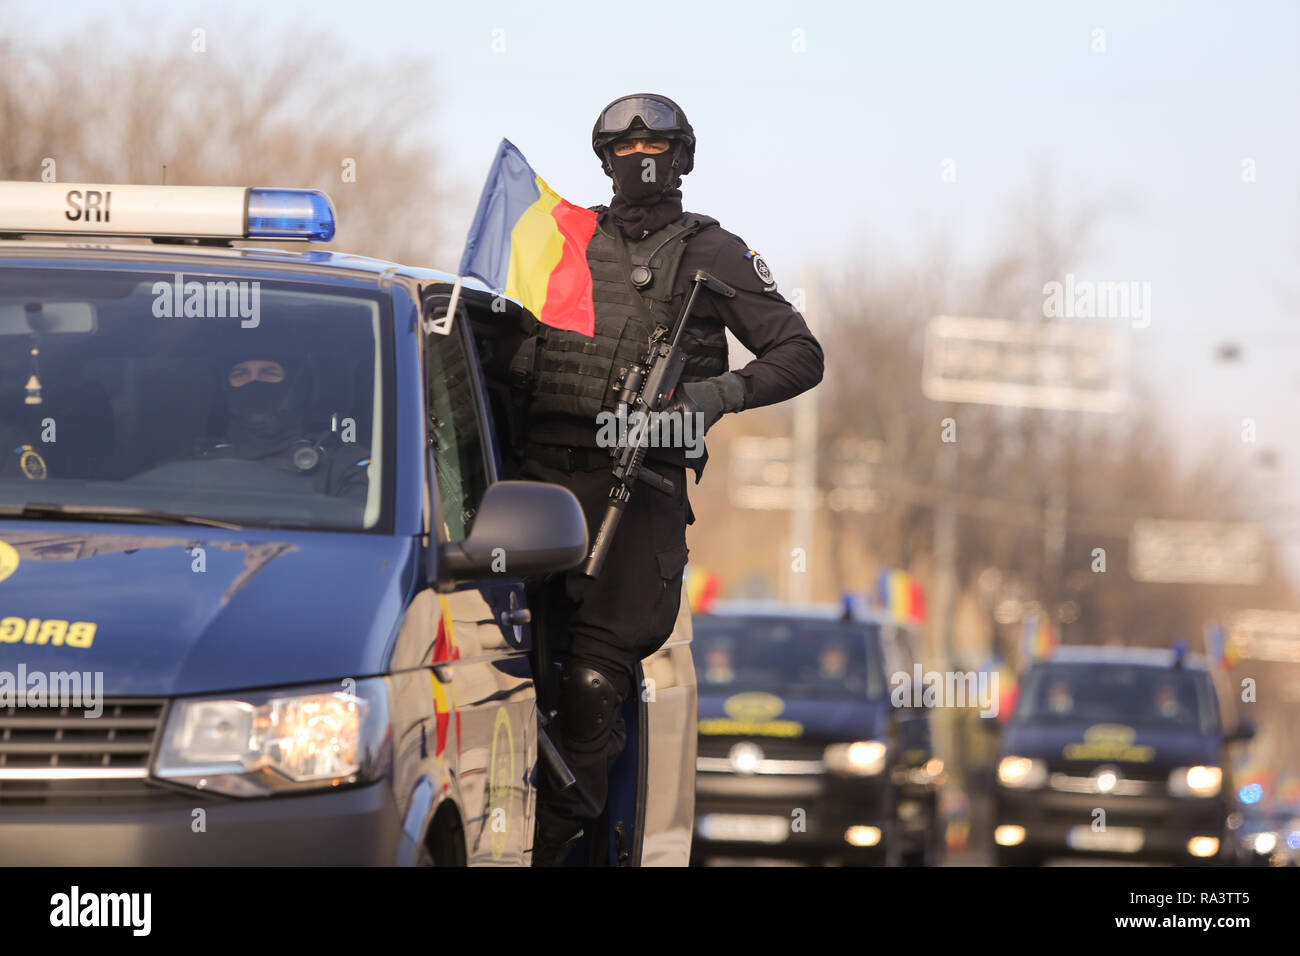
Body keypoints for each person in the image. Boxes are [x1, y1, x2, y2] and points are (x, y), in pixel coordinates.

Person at [519, 93, 824, 864]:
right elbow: (499, 339)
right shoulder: (562, 240)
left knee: (591, 690)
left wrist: (709, 397)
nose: (641, 157)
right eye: (626, 146)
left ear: (682, 158)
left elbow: (799, 353)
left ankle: (559, 849)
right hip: (534, 492)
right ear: (605, 161)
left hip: (639, 496)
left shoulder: (712, 253)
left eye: (657, 143)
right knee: (510, 676)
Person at [199, 354, 368, 497]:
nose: (254, 382)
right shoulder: (198, 459)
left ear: (296, 388)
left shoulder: (341, 463)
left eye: (269, 372)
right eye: (240, 373)